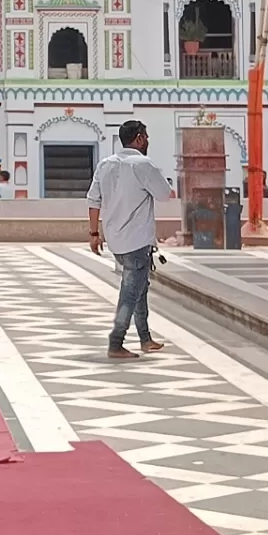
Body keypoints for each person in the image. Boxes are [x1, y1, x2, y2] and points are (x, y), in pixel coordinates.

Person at [87, 119, 172, 360]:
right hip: (136, 239)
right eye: (145, 137)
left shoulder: (106, 164)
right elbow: (165, 195)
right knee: (130, 292)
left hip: (115, 239)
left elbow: (93, 200)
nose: (147, 142)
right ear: (139, 138)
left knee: (139, 287)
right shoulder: (142, 164)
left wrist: (94, 234)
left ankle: (145, 338)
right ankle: (116, 342)